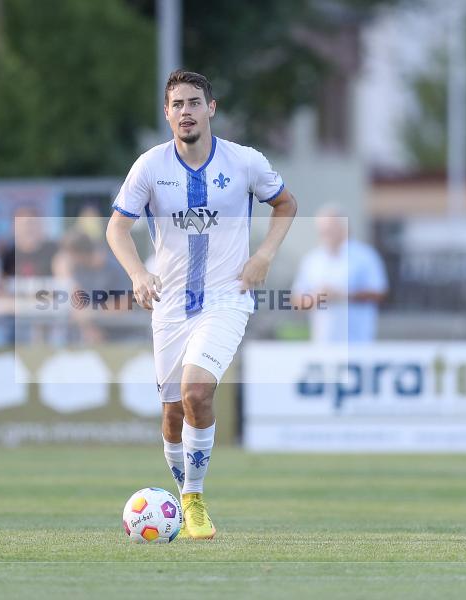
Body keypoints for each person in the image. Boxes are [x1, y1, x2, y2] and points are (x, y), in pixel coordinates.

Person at [106, 70, 297, 539]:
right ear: (167, 113)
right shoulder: (149, 167)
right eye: (178, 104)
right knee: (172, 413)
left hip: (227, 298)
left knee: (196, 394)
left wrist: (263, 256)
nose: (186, 111)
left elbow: (286, 204)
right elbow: (116, 228)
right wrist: (138, 273)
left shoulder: (245, 162)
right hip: (170, 305)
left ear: (212, 108)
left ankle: (192, 498)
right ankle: (184, 491)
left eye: (195, 102)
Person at [292, 205, 388, 343]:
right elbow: (297, 300)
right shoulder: (312, 259)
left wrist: (343, 295)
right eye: (323, 230)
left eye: (330, 229)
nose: (325, 233)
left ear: (345, 229)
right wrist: (317, 297)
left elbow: (379, 293)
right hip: (322, 343)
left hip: (358, 342)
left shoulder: (365, 256)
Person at [1, 207, 59, 278]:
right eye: (21, 224)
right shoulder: (6, 257)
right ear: (13, 227)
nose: (27, 229)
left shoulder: (56, 253)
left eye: (31, 223)